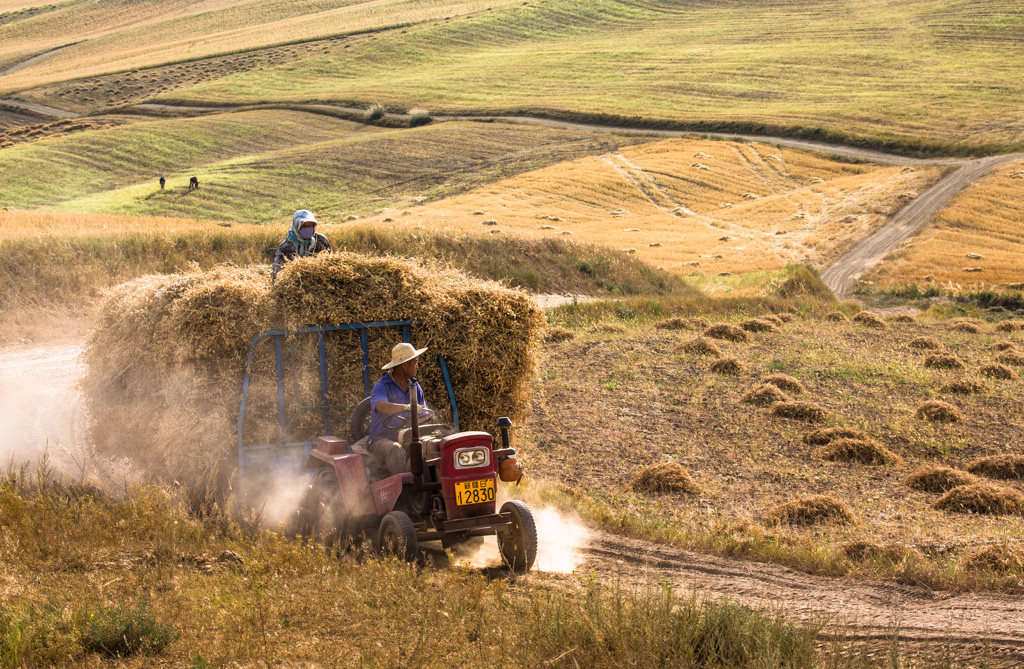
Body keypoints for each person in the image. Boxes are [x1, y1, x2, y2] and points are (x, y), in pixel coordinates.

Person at [359, 342, 428, 478]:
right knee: (394, 449)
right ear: (404, 365)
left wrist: (421, 418)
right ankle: (407, 492)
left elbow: (424, 414)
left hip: (409, 438)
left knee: (430, 446)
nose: (417, 366)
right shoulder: (382, 385)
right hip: (381, 439)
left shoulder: (415, 386)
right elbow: (381, 406)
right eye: (415, 362)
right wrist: (407, 408)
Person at [271, 209, 332, 282]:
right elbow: (277, 271)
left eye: (310, 225)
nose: (307, 228)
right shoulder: (285, 246)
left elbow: (330, 261)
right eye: (303, 225)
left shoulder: (321, 240)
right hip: (296, 284)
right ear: (296, 225)